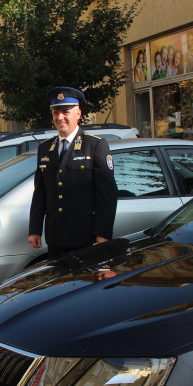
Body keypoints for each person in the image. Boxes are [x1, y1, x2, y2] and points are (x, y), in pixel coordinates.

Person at [28, 87, 117, 258]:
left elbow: (107, 194)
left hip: (84, 235)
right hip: (55, 236)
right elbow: (40, 192)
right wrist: (35, 229)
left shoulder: (95, 145)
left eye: (65, 112)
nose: (60, 117)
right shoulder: (45, 148)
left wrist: (103, 233)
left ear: (78, 114)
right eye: (56, 112)